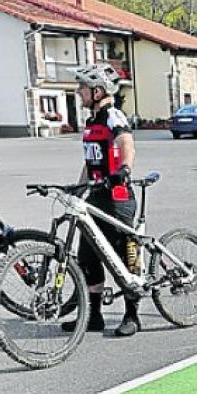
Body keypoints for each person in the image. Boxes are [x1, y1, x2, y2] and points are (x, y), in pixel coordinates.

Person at [67, 63, 142, 337]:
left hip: (117, 196)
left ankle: (133, 315)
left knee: (125, 255)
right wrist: (78, 187)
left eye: (82, 88)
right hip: (96, 197)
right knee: (88, 255)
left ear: (97, 91)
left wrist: (124, 170)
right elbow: (91, 161)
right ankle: (94, 315)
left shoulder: (113, 115)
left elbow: (126, 144)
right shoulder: (92, 121)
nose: (78, 92)